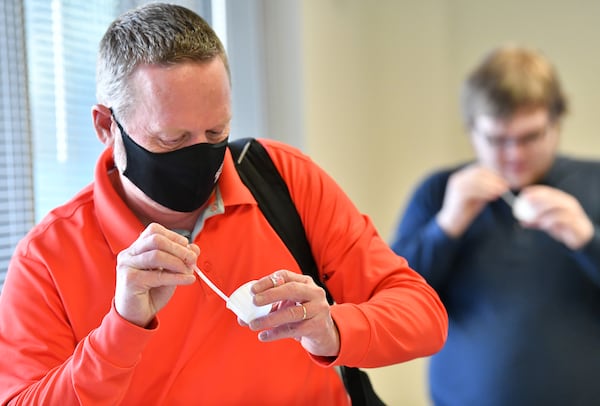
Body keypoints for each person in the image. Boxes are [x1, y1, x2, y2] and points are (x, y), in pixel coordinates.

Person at [0, 3, 448, 405]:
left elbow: (424, 317)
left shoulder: (283, 180)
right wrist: (122, 327)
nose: (201, 155)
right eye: (172, 139)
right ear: (105, 126)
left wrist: (330, 328)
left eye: (216, 133)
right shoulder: (48, 258)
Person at [390, 44, 600, 406]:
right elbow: (391, 301)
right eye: (497, 139)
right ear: (472, 129)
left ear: (557, 122)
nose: (515, 154)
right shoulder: (439, 192)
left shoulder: (595, 184)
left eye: (530, 137)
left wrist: (587, 239)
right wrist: (446, 226)